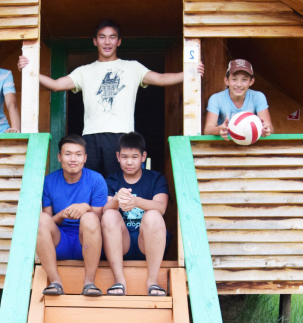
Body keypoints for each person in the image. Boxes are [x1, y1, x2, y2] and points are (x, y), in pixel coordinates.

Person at [18, 20, 203, 177]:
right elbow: (56, 85)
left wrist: (189, 73)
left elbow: (160, 79)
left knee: (117, 183)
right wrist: (29, 70)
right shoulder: (84, 71)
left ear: (119, 41)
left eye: (112, 37)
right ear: (95, 41)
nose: (107, 42)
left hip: (121, 135)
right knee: (91, 184)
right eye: (102, 37)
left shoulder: (133, 67)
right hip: (90, 136)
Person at [37, 134, 108, 296]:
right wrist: (62, 215)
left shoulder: (96, 180)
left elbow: (99, 219)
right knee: (40, 219)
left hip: (88, 242)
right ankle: (55, 281)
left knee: (90, 218)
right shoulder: (49, 181)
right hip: (60, 242)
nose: (73, 159)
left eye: (78, 154)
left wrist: (86, 208)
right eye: (68, 154)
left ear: (85, 158)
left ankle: (89, 283)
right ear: (59, 157)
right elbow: (48, 221)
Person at [101, 132, 170, 296]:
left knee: (153, 215)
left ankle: (153, 282)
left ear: (143, 156)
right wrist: (116, 199)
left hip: (147, 242)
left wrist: (137, 202)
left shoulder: (156, 178)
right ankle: (119, 281)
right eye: (124, 157)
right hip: (121, 243)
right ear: (118, 157)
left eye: (135, 157)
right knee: (109, 215)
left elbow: (161, 208)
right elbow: (104, 210)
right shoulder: (111, 181)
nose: (129, 162)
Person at [203, 59, 274, 138]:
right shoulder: (216, 99)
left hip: (251, 143)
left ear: (251, 81)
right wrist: (220, 129)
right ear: (226, 80)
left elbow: (270, 128)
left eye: (244, 80)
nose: (239, 84)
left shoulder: (258, 97)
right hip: (225, 143)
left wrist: (265, 130)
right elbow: (207, 130)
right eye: (234, 79)